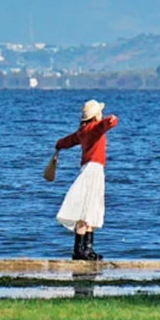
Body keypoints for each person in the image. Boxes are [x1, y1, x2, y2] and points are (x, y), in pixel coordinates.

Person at [55, 99, 118, 260]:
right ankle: (82, 250)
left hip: (89, 169)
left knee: (89, 208)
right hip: (94, 170)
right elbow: (106, 125)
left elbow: (68, 141)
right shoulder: (93, 128)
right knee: (87, 209)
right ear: (96, 115)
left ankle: (85, 250)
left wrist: (58, 145)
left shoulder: (82, 131)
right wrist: (111, 120)